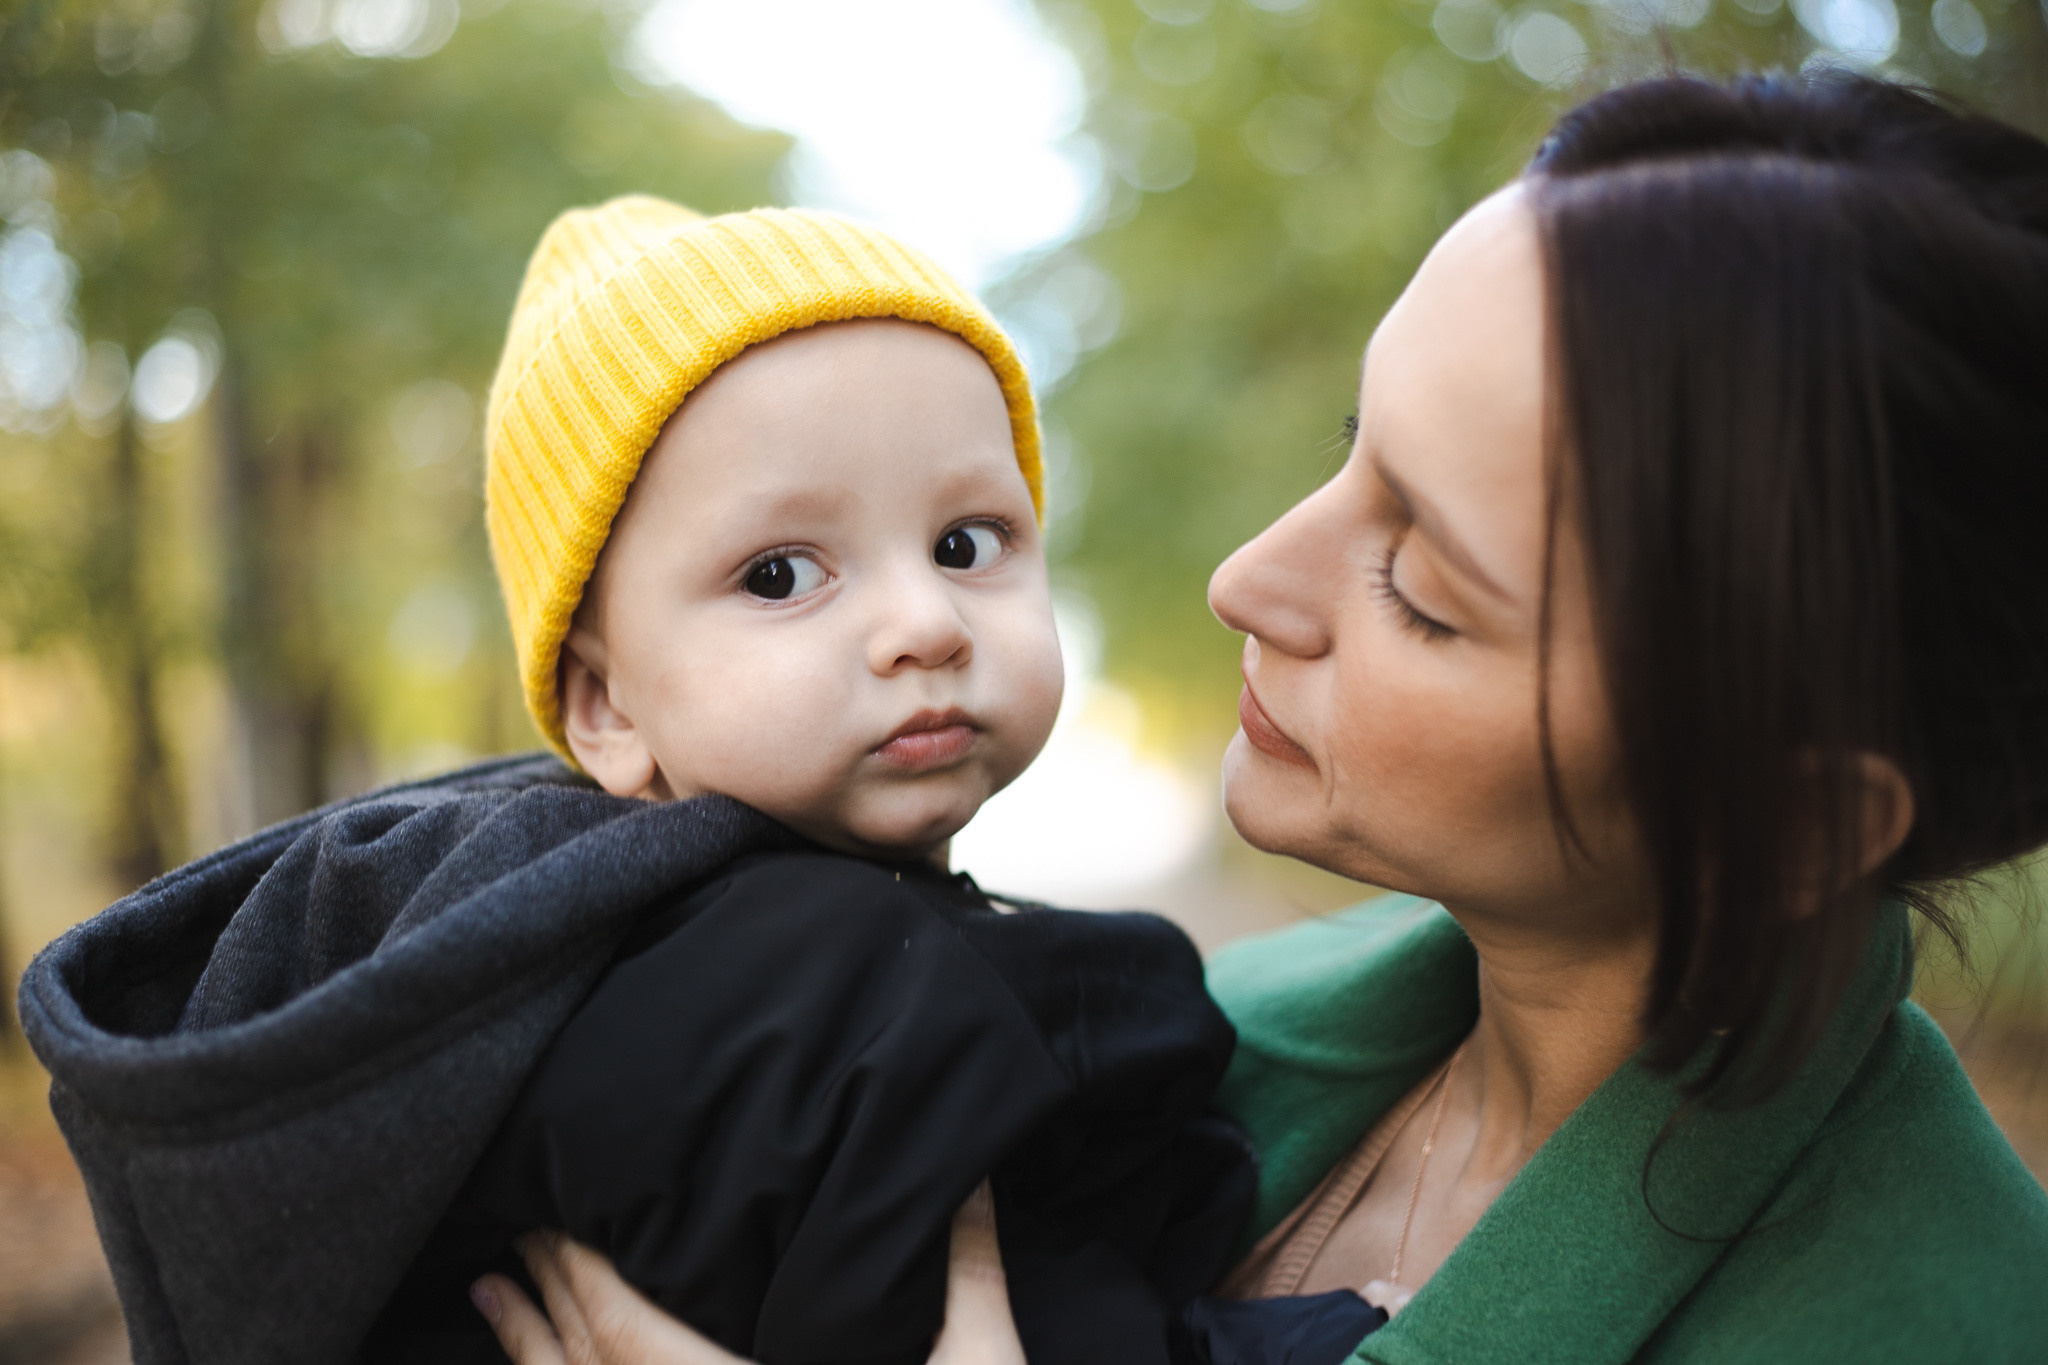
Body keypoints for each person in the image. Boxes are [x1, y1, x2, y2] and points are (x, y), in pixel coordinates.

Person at [476, 69, 2048, 1365]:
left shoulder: (1939, 1317)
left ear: (1795, 817)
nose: (1247, 579)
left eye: (1422, 581)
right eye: (1348, 446)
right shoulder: (1213, 1027)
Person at [20, 200, 1352, 1365]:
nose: (924, 623)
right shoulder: (783, 1021)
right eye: (780, 573)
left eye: (967, 539)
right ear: (606, 704)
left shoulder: (735, 963)